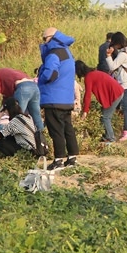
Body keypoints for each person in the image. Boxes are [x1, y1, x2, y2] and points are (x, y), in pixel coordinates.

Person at [38, 27, 80, 169]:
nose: (44, 42)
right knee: (68, 129)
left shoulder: (53, 54)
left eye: (45, 39)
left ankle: (58, 160)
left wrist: (41, 77)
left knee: (56, 130)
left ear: (52, 38)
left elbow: (51, 74)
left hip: (53, 98)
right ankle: (72, 157)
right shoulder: (67, 53)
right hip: (66, 99)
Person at [0, 67, 45, 147]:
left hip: (23, 87)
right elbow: (5, 105)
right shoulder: (7, 75)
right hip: (34, 87)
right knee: (36, 116)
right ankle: (43, 144)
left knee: (16, 117)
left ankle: (14, 144)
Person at [75, 59, 125, 142]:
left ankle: (111, 138)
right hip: (117, 91)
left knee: (105, 117)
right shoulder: (93, 73)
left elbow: (88, 95)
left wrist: (85, 111)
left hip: (115, 93)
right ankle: (106, 136)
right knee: (104, 115)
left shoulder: (88, 77)